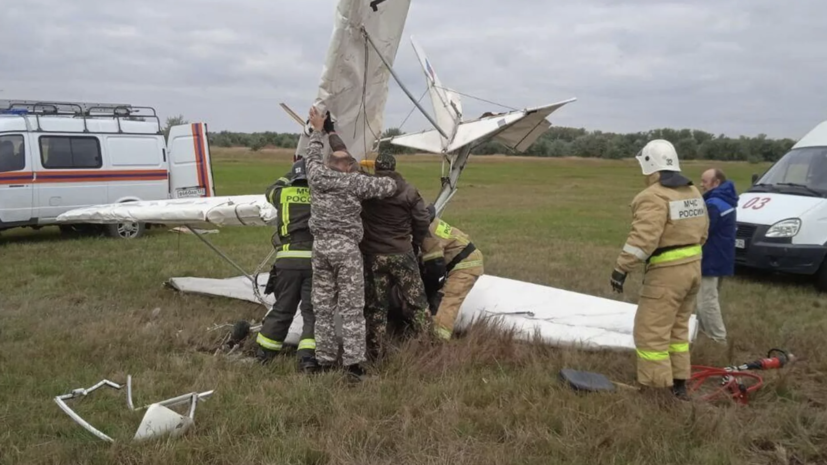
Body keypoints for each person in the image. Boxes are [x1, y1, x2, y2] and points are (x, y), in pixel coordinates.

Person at [303, 105, 399, 381]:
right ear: (346, 168)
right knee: (352, 309)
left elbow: (312, 153)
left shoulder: (316, 175)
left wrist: (320, 130)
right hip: (346, 250)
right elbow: (388, 187)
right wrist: (377, 171)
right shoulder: (355, 182)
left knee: (322, 308)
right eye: (351, 163)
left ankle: (323, 360)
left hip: (320, 249)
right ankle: (354, 366)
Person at [610, 139, 708, 401]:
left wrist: (621, 269)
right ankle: (679, 385)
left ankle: (655, 391)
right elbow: (703, 233)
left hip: (667, 274)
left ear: (649, 165)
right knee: (677, 329)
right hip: (694, 270)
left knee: (650, 331)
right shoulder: (693, 192)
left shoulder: (653, 196)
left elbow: (643, 240)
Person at [360, 152, 432, 361]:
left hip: (373, 256)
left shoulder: (366, 190)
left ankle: (375, 353)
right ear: (394, 166)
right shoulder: (409, 191)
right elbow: (422, 220)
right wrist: (416, 243)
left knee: (376, 306)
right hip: (402, 253)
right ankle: (428, 347)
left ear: (377, 168)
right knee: (417, 302)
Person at [256, 158, 319, 372]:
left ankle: (264, 353)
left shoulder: (282, 194)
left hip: (287, 262)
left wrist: (288, 174)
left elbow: (270, 190)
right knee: (312, 312)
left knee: (283, 308)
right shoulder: (320, 196)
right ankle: (308, 359)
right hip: (314, 262)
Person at [419, 205, 484, 340]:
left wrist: (429, 291)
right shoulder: (428, 221)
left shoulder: (427, 232)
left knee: (446, 303)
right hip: (459, 259)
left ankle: (438, 342)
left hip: (466, 264)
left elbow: (435, 268)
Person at [697, 168, 738, 345]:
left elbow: (702, 232)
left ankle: (718, 339)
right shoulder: (726, 200)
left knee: (706, 302)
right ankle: (700, 332)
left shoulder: (714, 204)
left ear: (716, 183)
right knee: (705, 298)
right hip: (722, 256)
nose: (701, 185)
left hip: (711, 258)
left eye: (705, 181)